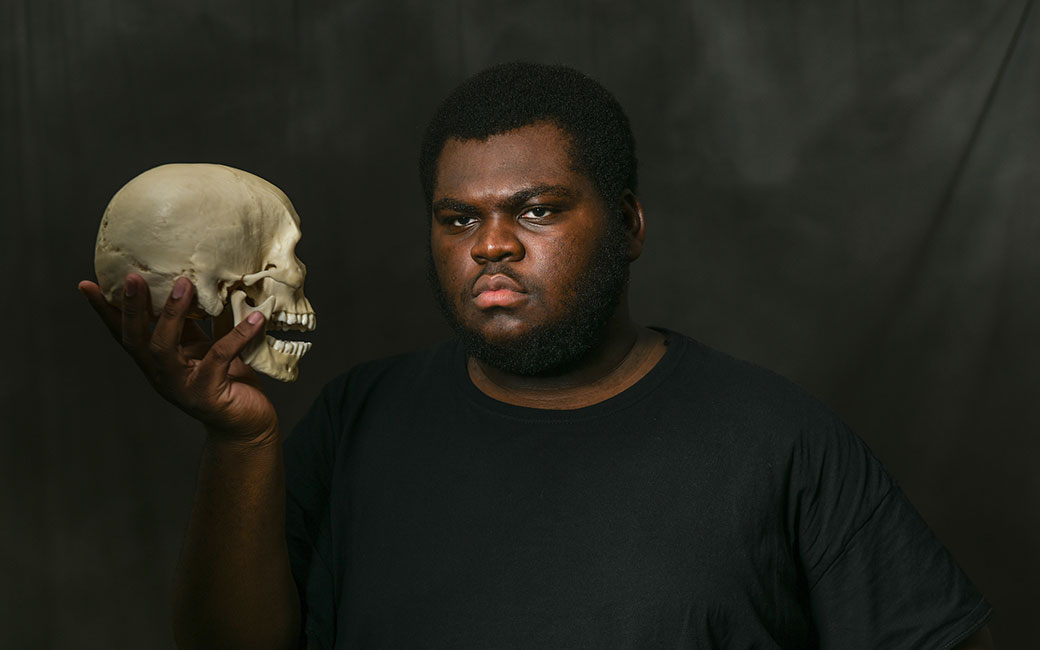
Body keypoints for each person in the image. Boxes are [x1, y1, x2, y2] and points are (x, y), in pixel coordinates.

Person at [81, 62, 994, 649]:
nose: (491, 245)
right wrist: (238, 442)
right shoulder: (361, 418)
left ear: (629, 225)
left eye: (537, 209)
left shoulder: (777, 440)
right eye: (459, 218)